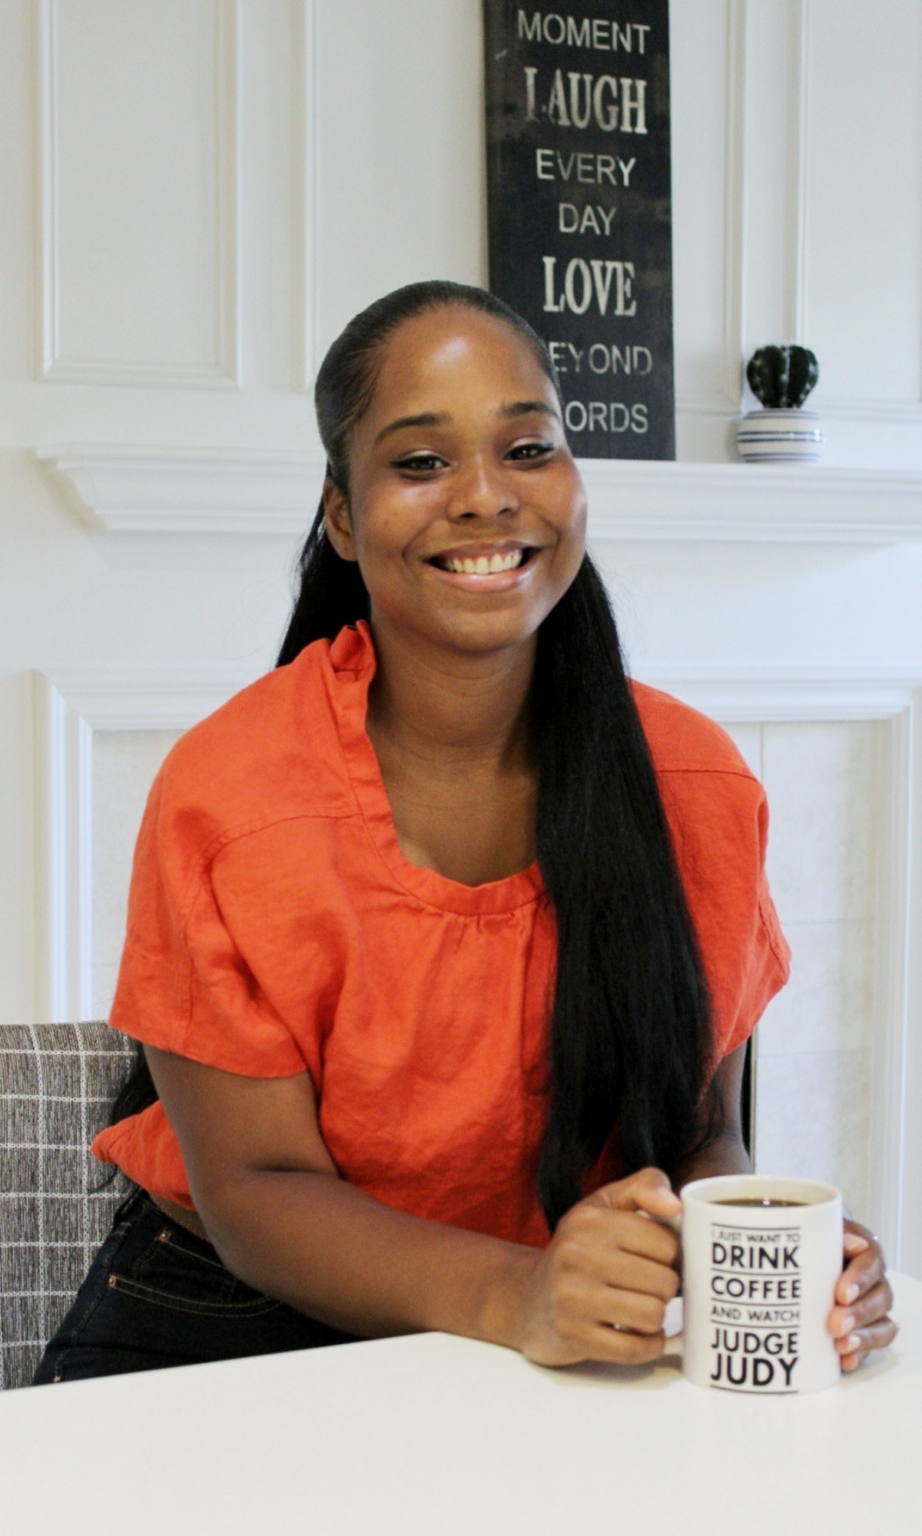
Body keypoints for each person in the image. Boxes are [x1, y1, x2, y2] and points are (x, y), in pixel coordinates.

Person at [34, 281, 896, 1385]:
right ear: (342, 516)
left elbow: (697, 1140)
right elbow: (253, 1191)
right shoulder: (233, 794)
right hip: (233, 1315)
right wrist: (518, 1293)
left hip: (553, 1332)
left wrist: (765, 1256)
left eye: (529, 447)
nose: (487, 498)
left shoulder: (697, 785)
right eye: (421, 462)